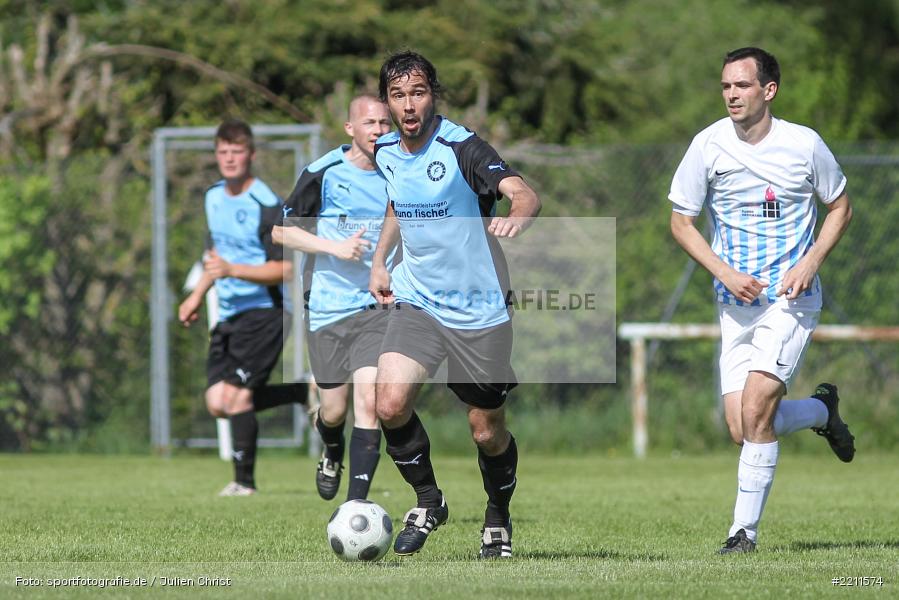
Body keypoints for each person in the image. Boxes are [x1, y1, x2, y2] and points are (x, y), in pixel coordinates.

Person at [668, 47, 855, 554]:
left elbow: (840, 207)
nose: (732, 94)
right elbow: (680, 222)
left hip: (790, 300)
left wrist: (810, 262)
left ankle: (742, 534)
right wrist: (724, 272)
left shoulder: (803, 144)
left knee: (755, 412)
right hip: (735, 305)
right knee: (742, 428)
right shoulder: (707, 145)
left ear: (768, 90)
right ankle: (821, 412)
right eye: (726, 85)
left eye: (742, 85)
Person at [367, 51, 541, 559]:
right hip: (417, 298)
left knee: (485, 430)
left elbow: (524, 193)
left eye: (417, 92)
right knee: (389, 403)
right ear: (387, 102)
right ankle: (428, 500)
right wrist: (381, 261)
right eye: (397, 95)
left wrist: (516, 217)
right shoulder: (386, 153)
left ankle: (497, 517)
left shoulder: (462, 147)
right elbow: (399, 201)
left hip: (479, 309)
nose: (408, 104)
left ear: (433, 94)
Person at [272, 95, 392, 502]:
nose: (378, 131)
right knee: (334, 411)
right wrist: (334, 247)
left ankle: (356, 504)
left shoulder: (398, 171)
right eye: (370, 123)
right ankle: (332, 448)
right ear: (350, 129)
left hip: (377, 304)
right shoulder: (323, 171)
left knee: (369, 401)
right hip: (327, 304)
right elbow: (281, 232)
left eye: (384, 123)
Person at [178, 119, 304, 497]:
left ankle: (243, 483)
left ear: (250, 154)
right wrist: (197, 294)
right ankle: (302, 394)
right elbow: (215, 258)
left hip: (267, 313)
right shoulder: (212, 197)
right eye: (223, 151)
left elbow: (286, 270)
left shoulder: (267, 205)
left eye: (237, 151)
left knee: (237, 396)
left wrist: (235, 271)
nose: (229, 158)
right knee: (217, 401)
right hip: (230, 313)